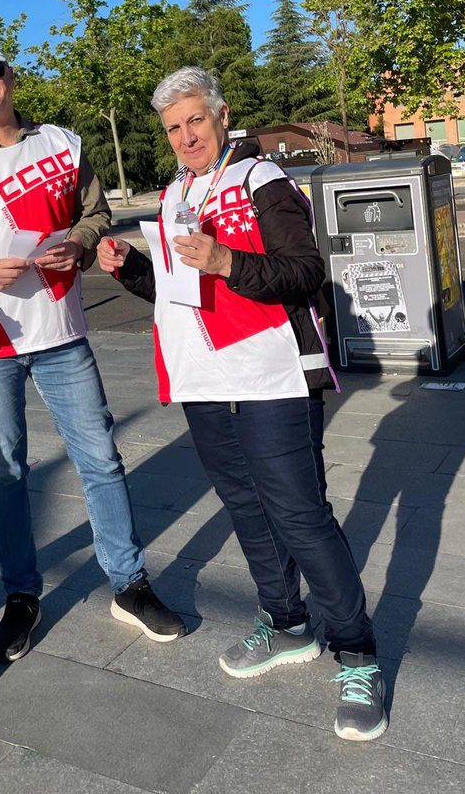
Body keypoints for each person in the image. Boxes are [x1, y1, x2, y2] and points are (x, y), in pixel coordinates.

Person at [97, 66, 387, 743]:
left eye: (195, 120)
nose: (186, 135)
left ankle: (357, 653)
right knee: (246, 506)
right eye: (173, 127)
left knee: (298, 513)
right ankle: (286, 622)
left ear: (222, 116)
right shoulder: (174, 194)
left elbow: (304, 272)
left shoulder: (262, 182)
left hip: (272, 373)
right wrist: (129, 269)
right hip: (205, 379)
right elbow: (177, 292)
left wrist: (227, 261)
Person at [0, 38, 185, 662]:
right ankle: (21, 596)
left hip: (60, 332)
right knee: (5, 476)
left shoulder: (61, 144)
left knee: (102, 460)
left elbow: (95, 213)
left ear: (9, 76)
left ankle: (129, 584)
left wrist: (79, 246)